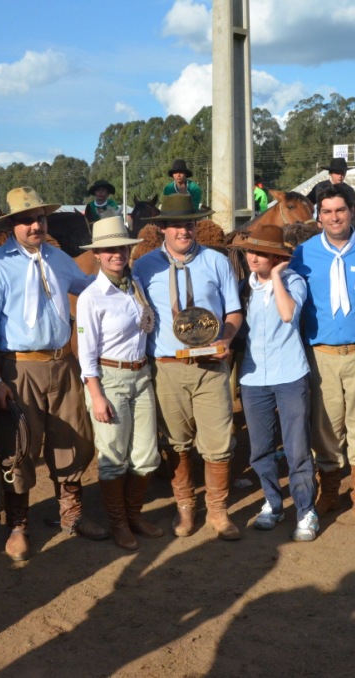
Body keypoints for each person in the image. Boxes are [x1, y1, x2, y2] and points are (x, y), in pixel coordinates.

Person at [0, 188, 106, 561]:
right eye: (26, 219)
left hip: (62, 361)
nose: (35, 225)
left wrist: (118, 275)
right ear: (12, 225)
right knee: (19, 445)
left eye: (40, 218)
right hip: (19, 366)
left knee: (72, 437)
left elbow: (90, 289)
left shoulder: (59, 258)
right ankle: (18, 525)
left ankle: (72, 514)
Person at [134, 193, 242, 540]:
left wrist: (225, 339)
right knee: (176, 443)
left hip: (210, 367)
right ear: (163, 228)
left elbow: (234, 313)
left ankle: (218, 511)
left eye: (190, 224)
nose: (185, 231)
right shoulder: (144, 266)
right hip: (166, 367)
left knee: (218, 442)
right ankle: (185, 509)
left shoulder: (217, 261)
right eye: (177, 225)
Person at [291, 185, 355, 532]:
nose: (334, 217)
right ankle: (329, 491)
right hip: (322, 355)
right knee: (326, 427)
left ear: (351, 212)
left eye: (340, 211)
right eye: (327, 212)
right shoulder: (303, 254)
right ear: (319, 217)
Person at [76, 216, 163, 550]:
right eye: (108, 250)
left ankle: (134, 514)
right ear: (96, 254)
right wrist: (96, 395)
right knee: (113, 454)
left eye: (122, 249)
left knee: (145, 454)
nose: (117, 255)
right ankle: (119, 523)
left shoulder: (135, 283)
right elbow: (87, 353)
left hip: (141, 374)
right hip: (109, 378)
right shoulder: (91, 297)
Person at [233, 222, 318, 541]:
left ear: (276, 257)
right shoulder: (243, 288)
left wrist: (279, 276)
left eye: (262, 253)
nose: (254, 258)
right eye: (251, 251)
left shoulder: (294, 281)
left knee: (297, 447)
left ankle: (306, 510)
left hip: (290, 374)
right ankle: (272, 502)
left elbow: (287, 315)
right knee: (260, 449)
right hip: (253, 378)